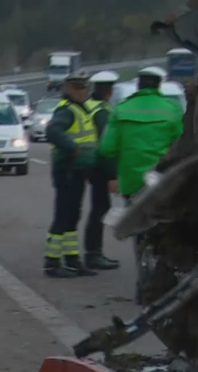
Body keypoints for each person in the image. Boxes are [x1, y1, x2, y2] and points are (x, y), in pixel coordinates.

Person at [99, 66, 184, 301]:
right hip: (166, 180)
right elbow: (183, 142)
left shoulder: (122, 109)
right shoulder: (173, 109)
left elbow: (106, 149)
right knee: (167, 228)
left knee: (140, 232)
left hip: (133, 182)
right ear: (159, 85)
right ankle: (166, 283)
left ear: (139, 85)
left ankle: (143, 285)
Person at [44, 70, 99, 278]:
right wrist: (72, 148)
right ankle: (52, 262)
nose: (82, 92)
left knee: (73, 216)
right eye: (77, 88)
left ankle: (72, 260)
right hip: (67, 169)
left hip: (77, 171)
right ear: (68, 89)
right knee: (63, 216)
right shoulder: (66, 111)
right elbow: (53, 131)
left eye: (85, 88)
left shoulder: (80, 109)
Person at [83, 70, 121, 270]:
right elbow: (107, 146)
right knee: (100, 210)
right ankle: (93, 253)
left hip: (86, 163)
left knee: (95, 209)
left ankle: (92, 252)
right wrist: (112, 175)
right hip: (99, 166)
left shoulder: (88, 106)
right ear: (110, 91)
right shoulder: (103, 112)